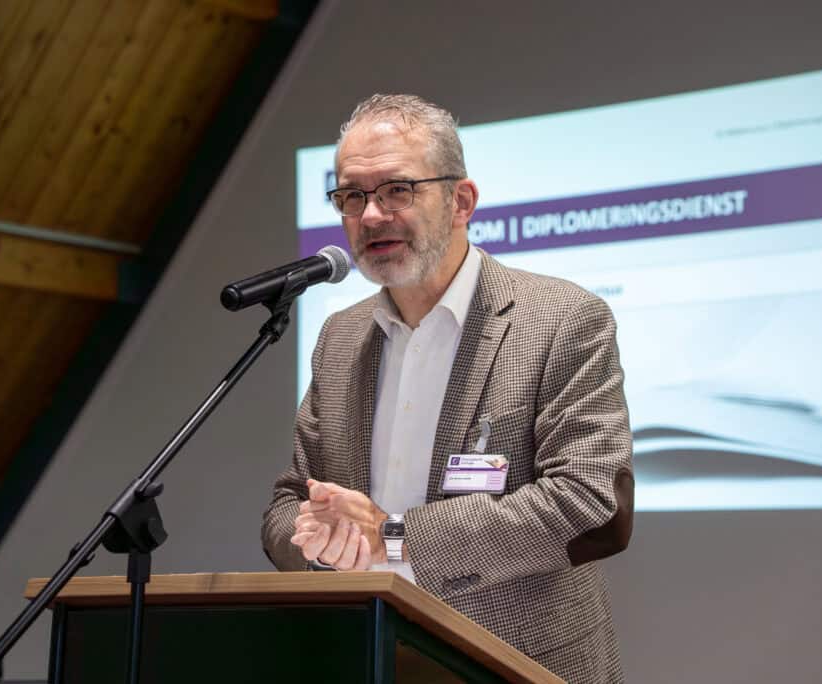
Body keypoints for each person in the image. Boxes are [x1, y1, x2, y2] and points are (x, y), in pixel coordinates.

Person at [261, 94, 634, 683]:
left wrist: (392, 539)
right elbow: (290, 503)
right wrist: (316, 540)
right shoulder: (340, 337)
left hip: (518, 665)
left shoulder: (561, 319)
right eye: (352, 196)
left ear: (461, 202)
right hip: (370, 659)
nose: (371, 215)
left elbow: (589, 503)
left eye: (397, 190)